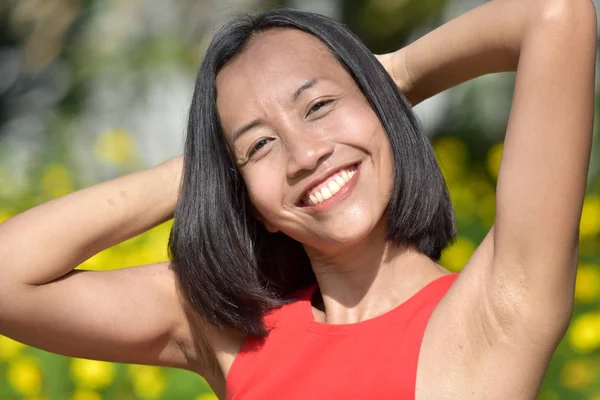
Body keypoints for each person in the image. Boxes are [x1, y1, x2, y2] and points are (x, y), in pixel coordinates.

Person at [0, 0, 596, 398]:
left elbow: (554, 14)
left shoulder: (494, 312)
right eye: (260, 147)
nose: (305, 155)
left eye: (320, 106)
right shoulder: (234, 335)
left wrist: (391, 75)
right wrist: (210, 168)